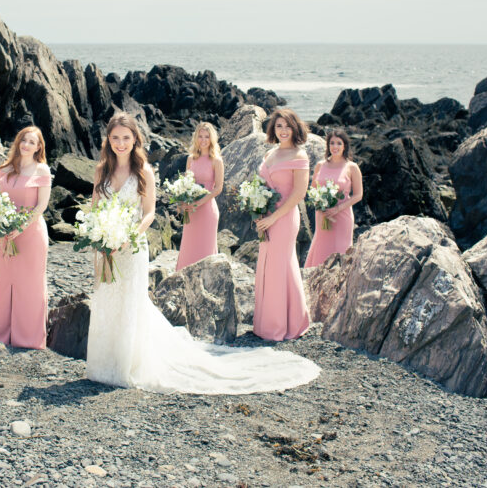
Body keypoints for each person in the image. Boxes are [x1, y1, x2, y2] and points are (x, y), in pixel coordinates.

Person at [85, 112, 320, 394]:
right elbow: (96, 207)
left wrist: (131, 235)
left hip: (131, 246)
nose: (120, 143)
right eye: (115, 138)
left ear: (135, 139)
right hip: (106, 246)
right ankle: (104, 362)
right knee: (107, 299)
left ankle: (127, 363)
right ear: (108, 140)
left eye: (126, 137)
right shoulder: (101, 170)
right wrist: (99, 234)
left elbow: (148, 213)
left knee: (130, 302)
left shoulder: (143, 171)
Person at [0, 126, 52, 349]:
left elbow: (41, 206)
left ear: (38, 147)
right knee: (6, 282)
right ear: (18, 142)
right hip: (6, 233)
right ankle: (3, 332)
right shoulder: (5, 169)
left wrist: (20, 227)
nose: (26, 145)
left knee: (30, 284)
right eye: (23, 140)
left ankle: (29, 337)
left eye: (32, 142)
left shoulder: (42, 170)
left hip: (31, 234)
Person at [254, 108, 313, 341]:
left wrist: (273, 217)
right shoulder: (270, 154)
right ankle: (280, 322)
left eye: (287, 126)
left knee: (279, 267)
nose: (283, 130)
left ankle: (279, 327)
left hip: (285, 218)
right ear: (273, 129)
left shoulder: (299, 156)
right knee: (273, 266)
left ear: (295, 128)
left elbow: (299, 193)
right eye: (279, 126)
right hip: (267, 217)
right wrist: (257, 211)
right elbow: (261, 187)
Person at [305, 130, 362, 268]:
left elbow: (358, 195)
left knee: (341, 252)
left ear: (344, 146)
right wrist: (320, 204)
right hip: (323, 215)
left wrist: (337, 209)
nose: (335, 146)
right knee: (321, 250)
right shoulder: (320, 165)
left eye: (338, 143)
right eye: (332, 143)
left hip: (342, 216)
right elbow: (312, 189)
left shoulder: (351, 167)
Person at [176, 122, 224, 271]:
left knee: (206, 250)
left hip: (207, 211)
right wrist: (181, 203)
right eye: (200, 136)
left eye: (207, 137)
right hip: (190, 211)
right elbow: (186, 183)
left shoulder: (217, 160)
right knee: (188, 248)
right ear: (196, 138)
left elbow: (218, 188)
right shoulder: (191, 159)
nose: (203, 140)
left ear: (212, 139)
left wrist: (198, 204)